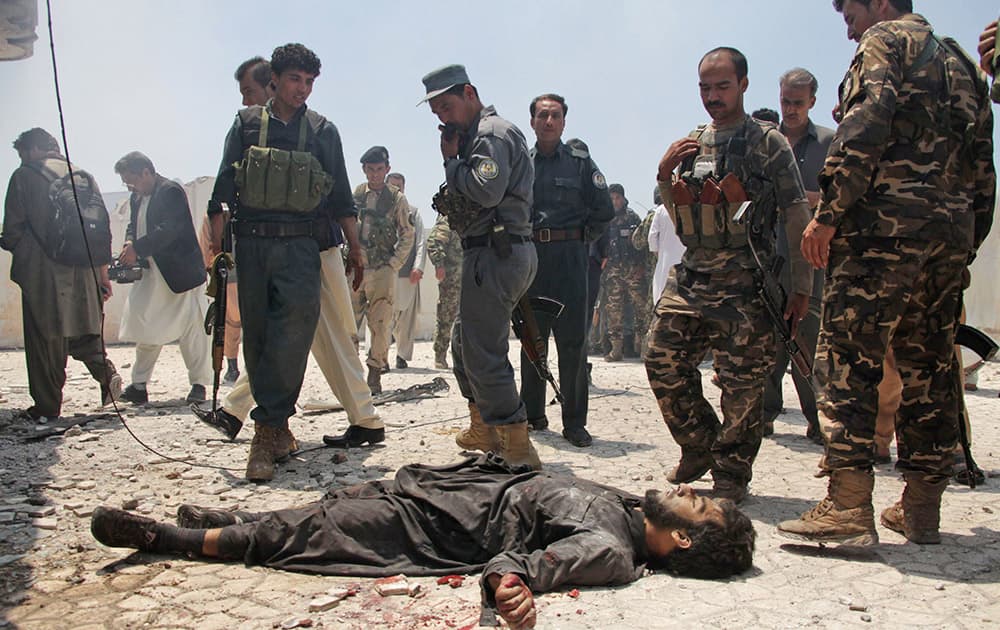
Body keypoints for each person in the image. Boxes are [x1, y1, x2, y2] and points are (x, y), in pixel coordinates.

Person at [778, 0, 994, 546]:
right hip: (947, 239)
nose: (845, 21)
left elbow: (864, 126)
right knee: (930, 369)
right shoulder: (964, 62)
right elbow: (982, 158)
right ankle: (921, 510)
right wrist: (967, 238)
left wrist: (828, 216)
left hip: (880, 234)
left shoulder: (884, 43)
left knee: (850, 360)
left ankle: (848, 507)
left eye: (848, 8)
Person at [90, 453, 757, 628]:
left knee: (315, 534)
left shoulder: (611, 551)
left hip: (439, 527)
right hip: (452, 490)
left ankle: (172, 539)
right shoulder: (625, 507)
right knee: (334, 503)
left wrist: (512, 590)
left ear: (687, 543)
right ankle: (224, 518)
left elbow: (515, 564)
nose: (685, 491)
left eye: (695, 504)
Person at [646, 47, 813, 504]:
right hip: (695, 275)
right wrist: (664, 175)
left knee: (742, 383)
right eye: (705, 88)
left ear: (743, 84)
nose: (713, 96)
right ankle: (699, 445)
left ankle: (732, 472)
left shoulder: (767, 142)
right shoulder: (692, 142)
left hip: (747, 278)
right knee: (660, 357)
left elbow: (797, 213)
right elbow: (682, 216)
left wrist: (802, 286)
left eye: (722, 86)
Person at [207, 43, 365, 481]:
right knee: (257, 338)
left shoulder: (322, 131)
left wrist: (357, 249)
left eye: (310, 82)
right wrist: (218, 254)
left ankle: (268, 429)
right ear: (274, 80)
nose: (303, 89)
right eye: (296, 80)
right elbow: (221, 192)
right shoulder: (244, 125)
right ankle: (277, 430)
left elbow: (340, 199)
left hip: (300, 249)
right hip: (253, 247)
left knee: (292, 335)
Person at [420, 64, 541, 469]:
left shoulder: (489, 135)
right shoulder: (477, 135)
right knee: (464, 342)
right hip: (490, 251)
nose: (442, 116)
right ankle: (485, 427)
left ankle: (516, 443)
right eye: (435, 110)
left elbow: (486, 192)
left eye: (446, 106)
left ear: (469, 93)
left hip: (496, 251)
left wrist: (452, 164)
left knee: (484, 351)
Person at [1, 128, 121, 419]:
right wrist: (102, 275)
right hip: (86, 267)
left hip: (45, 270)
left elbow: (13, 229)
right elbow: (100, 231)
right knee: (82, 326)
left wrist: (16, 247)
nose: (21, 160)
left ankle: (47, 406)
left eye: (21, 154)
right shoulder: (83, 176)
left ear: (32, 150)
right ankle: (105, 373)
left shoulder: (25, 175)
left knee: (46, 337)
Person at [521, 94, 613, 447]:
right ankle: (533, 414)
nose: (548, 121)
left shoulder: (579, 163)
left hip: (572, 262)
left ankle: (574, 422)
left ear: (563, 122)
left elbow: (603, 209)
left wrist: (580, 238)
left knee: (573, 344)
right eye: (542, 115)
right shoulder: (522, 164)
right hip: (532, 261)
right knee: (532, 339)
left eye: (554, 116)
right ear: (532, 121)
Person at [762, 68, 834, 442]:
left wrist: (803, 200)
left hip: (811, 255)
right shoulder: (767, 142)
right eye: (785, 102)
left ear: (812, 102)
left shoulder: (828, 142)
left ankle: (817, 418)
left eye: (797, 103)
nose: (790, 110)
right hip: (768, 254)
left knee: (808, 335)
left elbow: (843, 196)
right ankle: (766, 413)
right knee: (769, 338)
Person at [114, 151, 211, 405]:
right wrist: (129, 242)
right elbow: (133, 226)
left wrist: (139, 247)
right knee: (146, 322)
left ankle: (199, 384)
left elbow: (171, 229)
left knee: (191, 328)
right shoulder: (137, 196)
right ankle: (138, 384)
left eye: (132, 180)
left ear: (146, 171)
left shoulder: (170, 191)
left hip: (177, 272)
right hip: (151, 271)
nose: (130, 186)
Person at [349, 148, 415, 394]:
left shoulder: (396, 199)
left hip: (381, 270)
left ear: (386, 170)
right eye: (370, 169)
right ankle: (351, 374)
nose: (374, 175)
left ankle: (375, 374)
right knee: (348, 324)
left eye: (379, 169)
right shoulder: (357, 194)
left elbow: (407, 234)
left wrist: (393, 265)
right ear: (364, 170)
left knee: (380, 323)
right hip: (356, 268)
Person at [602, 184, 647, 362]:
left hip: (632, 269)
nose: (615, 202)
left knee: (641, 308)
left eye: (618, 198)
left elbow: (642, 243)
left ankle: (643, 347)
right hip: (613, 272)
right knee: (614, 310)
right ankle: (616, 349)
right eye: (612, 198)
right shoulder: (605, 218)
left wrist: (641, 266)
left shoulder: (633, 217)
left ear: (623, 198)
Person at [386, 172, 426, 371]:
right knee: (380, 314)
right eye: (392, 186)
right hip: (383, 273)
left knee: (406, 318)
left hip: (407, 273)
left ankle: (402, 355)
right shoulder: (377, 210)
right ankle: (378, 356)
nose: (396, 190)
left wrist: (418, 266)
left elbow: (420, 243)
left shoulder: (413, 212)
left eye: (399, 186)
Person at [425, 213, 462, 369]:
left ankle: (467, 358)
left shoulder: (477, 217)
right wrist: (439, 264)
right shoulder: (450, 218)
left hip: (473, 277)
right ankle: (440, 355)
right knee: (446, 317)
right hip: (452, 279)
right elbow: (434, 241)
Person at [646, 187, 685, 304]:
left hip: (665, 264)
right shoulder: (689, 208)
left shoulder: (661, 210)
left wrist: (658, 254)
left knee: (662, 300)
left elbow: (652, 237)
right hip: (686, 263)